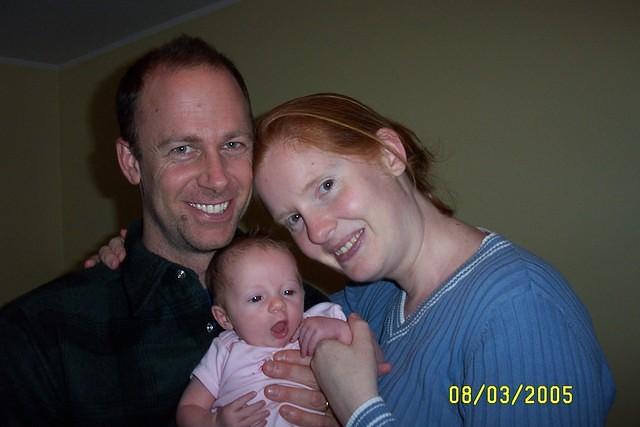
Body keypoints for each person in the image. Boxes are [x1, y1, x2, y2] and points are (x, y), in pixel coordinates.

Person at [87, 93, 617, 424]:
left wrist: (358, 407)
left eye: (326, 185)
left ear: (389, 153)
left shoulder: (520, 312)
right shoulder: (370, 299)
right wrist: (134, 258)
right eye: (294, 219)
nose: (317, 230)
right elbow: (248, 285)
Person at [0, 36, 335, 427]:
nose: (217, 179)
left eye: (232, 144)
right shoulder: (36, 339)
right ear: (131, 162)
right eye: (182, 149)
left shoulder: (314, 307)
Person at [177, 235, 352, 427]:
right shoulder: (225, 349)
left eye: (288, 292)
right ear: (225, 318)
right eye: (256, 298)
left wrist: (338, 330)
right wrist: (215, 422)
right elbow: (189, 408)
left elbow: (364, 354)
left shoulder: (316, 325)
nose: (278, 304)